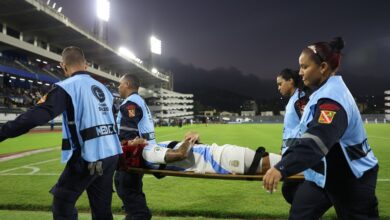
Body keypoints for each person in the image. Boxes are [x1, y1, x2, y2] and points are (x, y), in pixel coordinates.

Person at [0, 46, 122, 220]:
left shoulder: (66, 87)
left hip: (89, 155)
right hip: (111, 154)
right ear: (86, 65)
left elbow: (34, 117)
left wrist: (2, 132)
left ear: (63, 66)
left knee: (62, 202)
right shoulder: (105, 90)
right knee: (102, 210)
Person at [263, 37, 379, 219]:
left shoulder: (333, 100)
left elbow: (317, 141)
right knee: (299, 213)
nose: (299, 73)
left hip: (352, 179)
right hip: (323, 176)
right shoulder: (321, 93)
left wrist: (282, 167)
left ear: (323, 67)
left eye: (304, 67)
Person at [121, 131, 282, 175]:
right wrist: (191, 138)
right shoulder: (147, 151)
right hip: (218, 158)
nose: (135, 138)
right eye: (131, 141)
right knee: (269, 163)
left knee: (269, 161)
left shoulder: (149, 156)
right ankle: (304, 162)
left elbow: (167, 168)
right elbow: (180, 154)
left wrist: (192, 143)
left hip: (216, 157)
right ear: (132, 150)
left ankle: (302, 162)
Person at [115, 73, 154, 220]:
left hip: (133, 155)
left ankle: (140, 215)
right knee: (128, 189)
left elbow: (128, 135)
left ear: (127, 84)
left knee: (126, 188)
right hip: (142, 152)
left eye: (120, 84)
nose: (118, 87)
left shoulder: (130, 103)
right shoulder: (139, 101)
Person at [276, 68, 309, 204]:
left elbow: (308, 124)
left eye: (280, 83)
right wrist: (283, 148)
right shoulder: (293, 100)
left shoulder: (300, 100)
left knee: (290, 190)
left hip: (299, 155)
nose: (278, 88)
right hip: (291, 153)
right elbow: (291, 129)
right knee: (290, 190)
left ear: (291, 81)